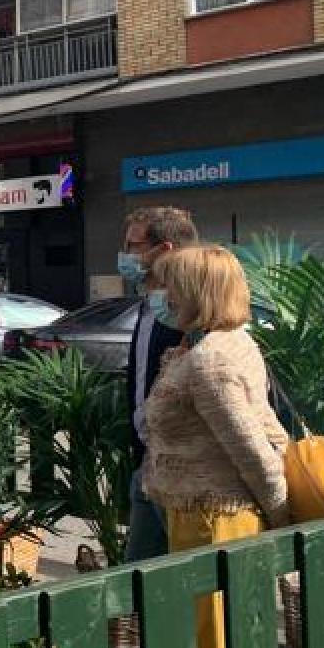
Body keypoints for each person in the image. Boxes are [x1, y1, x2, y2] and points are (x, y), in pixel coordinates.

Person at [144, 245, 289, 648]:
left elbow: (252, 448)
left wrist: (284, 516)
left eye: (172, 286)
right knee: (218, 644)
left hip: (214, 521)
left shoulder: (212, 361)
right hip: (203, 514)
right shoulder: (224, 343)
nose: (163, 296)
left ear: (197, 292)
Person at [120, 207, 199, 563]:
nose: (125, 255)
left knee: (185, 578)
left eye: (133, 246)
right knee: (139, 579)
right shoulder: (149, 304)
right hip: (147, 462)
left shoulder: (193, 309)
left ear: (164, 248)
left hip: (183, 471)